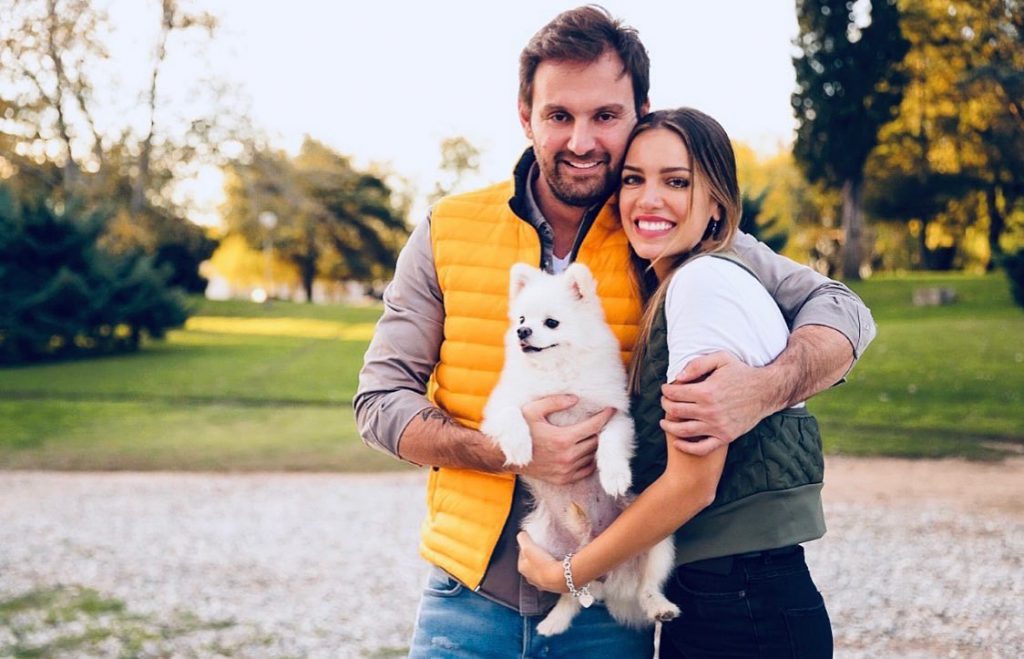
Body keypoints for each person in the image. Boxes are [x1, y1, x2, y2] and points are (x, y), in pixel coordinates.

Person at [354, 6, 873, 657]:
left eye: (605, 115)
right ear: (525, 116)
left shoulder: (661, 224)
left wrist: (766, 388)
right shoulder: (447, 229)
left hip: (606, 611)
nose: (581, 140)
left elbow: (841, 307)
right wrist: (504, 449)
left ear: (640, 112)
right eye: (559, 115)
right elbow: (378, 401)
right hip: (465, 600)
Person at [517, 107, 835, 658]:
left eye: (677, 182)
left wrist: (567, 573)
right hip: (731, 594)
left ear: (717, 204)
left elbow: (693, 484)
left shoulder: (701, 285)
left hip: (742, 605)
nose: (649, 199)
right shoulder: (686, 283)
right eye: (633, 179)